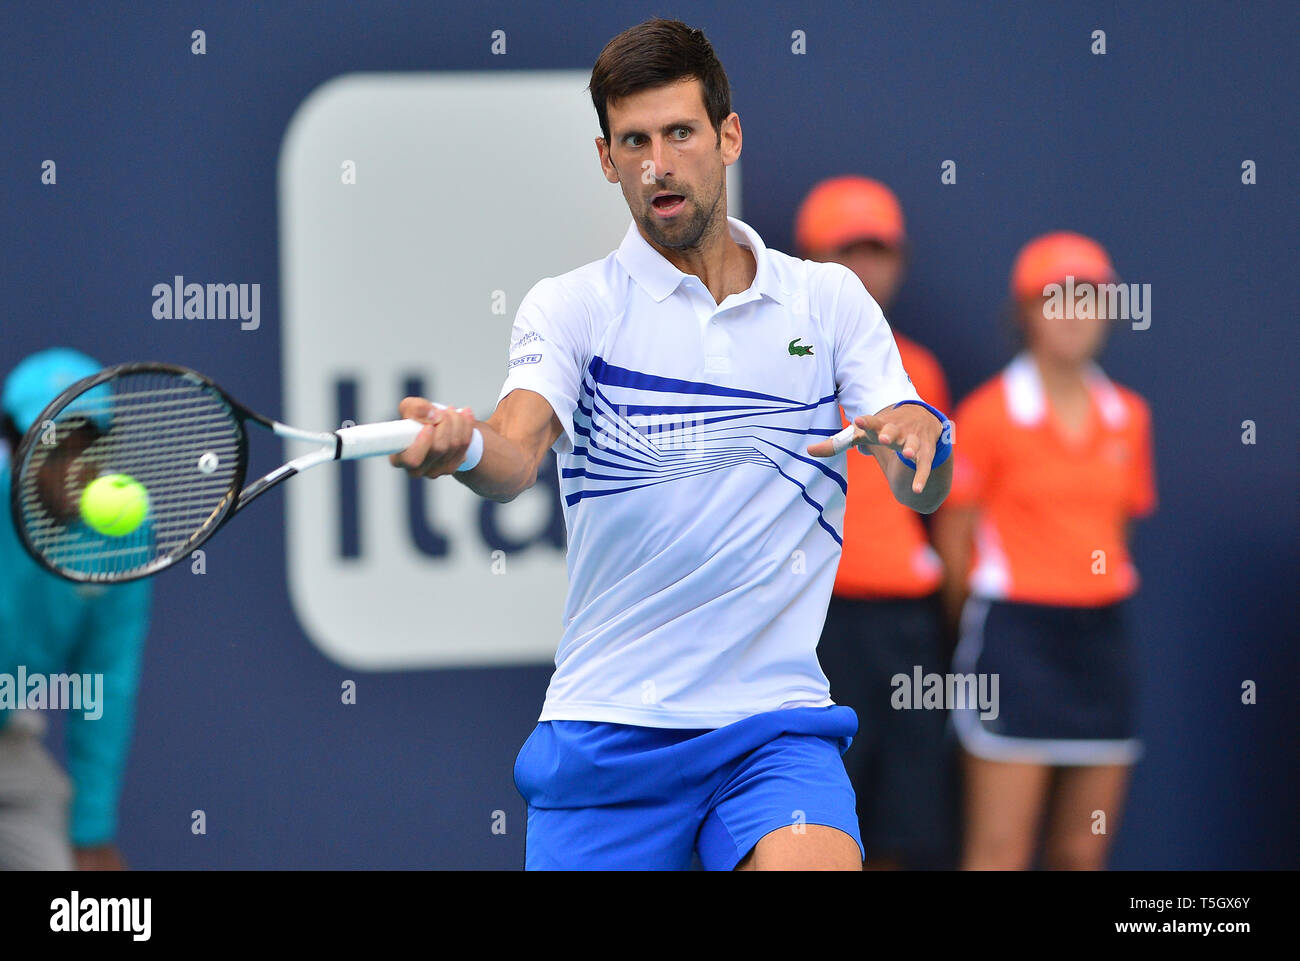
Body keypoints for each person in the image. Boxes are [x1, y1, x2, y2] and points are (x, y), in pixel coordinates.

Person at [390, 18, 952, 870]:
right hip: (610, 731)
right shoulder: (571, 308)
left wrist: (921, 444)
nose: (660, 162)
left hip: (772, 727)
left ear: (727, 137)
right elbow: (514, 451)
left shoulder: (828, 303)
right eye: (635, 142)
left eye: (680, 133)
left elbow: (922, 485)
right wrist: (462, 451)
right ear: (608, 159)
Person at [931, 232, 1156, 870]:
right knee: (1000, 852)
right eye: (1056, 299)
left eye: (1089, 299)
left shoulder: (1129, 417)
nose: (1075, 314)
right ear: (1026, 313)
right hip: (1015, 640)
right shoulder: (987, 415)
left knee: (1081, 853)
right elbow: (956, 538)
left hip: (1102, 643)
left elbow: (1117, 532)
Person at [795, 177, 959, 869]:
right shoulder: (782, 361)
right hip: (817, 622)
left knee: (904, 822)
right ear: (808, 261)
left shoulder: (918, 368)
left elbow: (939, 507)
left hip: (909, 625)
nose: (865, 270)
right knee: (820, 824)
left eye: (879, 252)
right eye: (847, 252)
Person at [0, 348, 152, 870]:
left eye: (87, 444)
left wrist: (91, 830)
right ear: (16, 446)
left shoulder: (121, 532)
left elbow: (105, 680)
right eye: (54, 446)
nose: (73, 465)